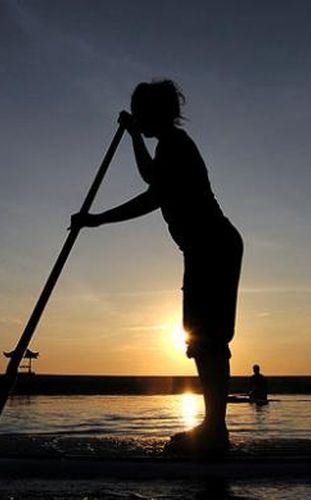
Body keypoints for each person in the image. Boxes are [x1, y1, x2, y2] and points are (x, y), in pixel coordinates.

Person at [71, 80, 243, 454]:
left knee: (208, 339)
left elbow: (154, 193)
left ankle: (215, 432)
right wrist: (135, 136)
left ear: (158, 113)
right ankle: (214, 427)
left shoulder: (177, 145)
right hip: (203, 250)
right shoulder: (168, 146)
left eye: (141, 112)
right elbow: (153, 178)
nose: (137, 117)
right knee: (200, 339)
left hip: (213, 248)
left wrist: (99, 219)